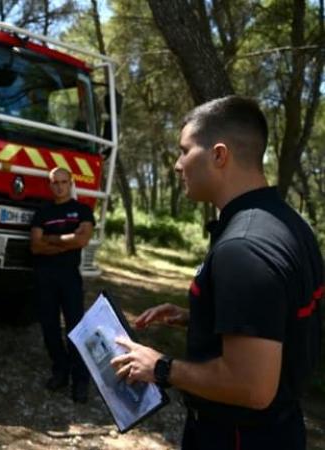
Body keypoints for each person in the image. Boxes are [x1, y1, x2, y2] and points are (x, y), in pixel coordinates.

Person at [110, 95, 323, 450]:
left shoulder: (243, 247)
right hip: (278, 431)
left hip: (237, 438)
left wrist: (161, 367)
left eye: (184, 150)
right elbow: (277, 322)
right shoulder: (287, 223)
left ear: (219, 155)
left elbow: (252, 387)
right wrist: (202, 318)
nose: (178, 165)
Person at [30, 167, 95, 403]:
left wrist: (51, 238)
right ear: (50, 185)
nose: (59, 186)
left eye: (63, 182)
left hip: (70, 278)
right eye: (54, 182)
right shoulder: (42, 212)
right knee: (49, 328)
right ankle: (61, 371)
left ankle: (80, 381)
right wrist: (67, 241)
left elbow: (83, 239)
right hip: (44, 277)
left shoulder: (82, 211)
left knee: (76, 329)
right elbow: (36, 246)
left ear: (71, 183)